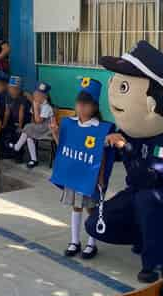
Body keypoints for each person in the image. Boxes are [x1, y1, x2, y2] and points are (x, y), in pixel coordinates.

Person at [85, 41, 163, 283]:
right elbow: (104, 160)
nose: (114, 92)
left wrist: (124, 147)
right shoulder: (124, 132)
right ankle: (145, 236)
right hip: (136, 194)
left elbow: (149, 178)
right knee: (95, 222)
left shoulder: (161, 143)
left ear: (152, 104)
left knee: (148, 200)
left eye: (123, 86)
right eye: (115, 83)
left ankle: (158, 262)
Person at [50, 78, 107, 260]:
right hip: (74, 175)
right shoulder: (69, 124)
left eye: (86, 103)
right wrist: (55, 133)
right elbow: (64, 150)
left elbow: (101, 155)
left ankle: (92, 243)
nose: (81, 107)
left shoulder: (100, 129)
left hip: (88, 176)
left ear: (95, 107)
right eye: (79, 102)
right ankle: (75, 241)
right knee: (76, 207)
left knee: (90, 208)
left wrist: (100, 177)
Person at [9, 82, 54, 168]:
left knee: (27, 127)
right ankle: (34, 160)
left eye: (40, 95)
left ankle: (17, 147)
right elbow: (33, 120)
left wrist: (36, 108)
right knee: (29, 135)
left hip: (46, 130)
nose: (37, 96)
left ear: (45, 96)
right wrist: (31, 128)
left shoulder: (46, 107)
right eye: (36, 94)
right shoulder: (36, 104)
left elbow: (38, 121)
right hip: (38, 128)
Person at [0, 76, 31, 159]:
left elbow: (21, 112)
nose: (12, 91)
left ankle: (18, 155)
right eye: (11, 88)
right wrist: (4, 125)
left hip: (24, 121)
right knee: (5, 132)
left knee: (18, 133)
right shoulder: (8, 96)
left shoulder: (23, 97)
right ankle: (8, 152)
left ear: (19, 89)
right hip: (13, 120)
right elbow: (7, 112)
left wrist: (20, 127)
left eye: (15, 89)